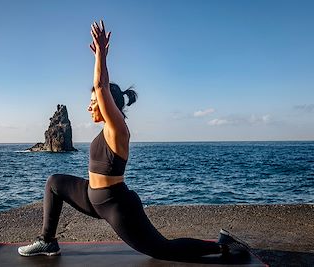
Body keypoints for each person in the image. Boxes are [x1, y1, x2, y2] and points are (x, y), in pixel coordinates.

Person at [18, 20, 249, 261]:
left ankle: (221, 245)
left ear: (109, 106)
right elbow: (100, 91)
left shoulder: (117, 129)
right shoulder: (104, 131)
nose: (89, 106)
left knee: (161, 250)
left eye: (94, 102)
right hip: (90, 196)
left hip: (116, 204)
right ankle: (47, 241)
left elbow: (101, 85)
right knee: (54, 182)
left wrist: (101, 56)